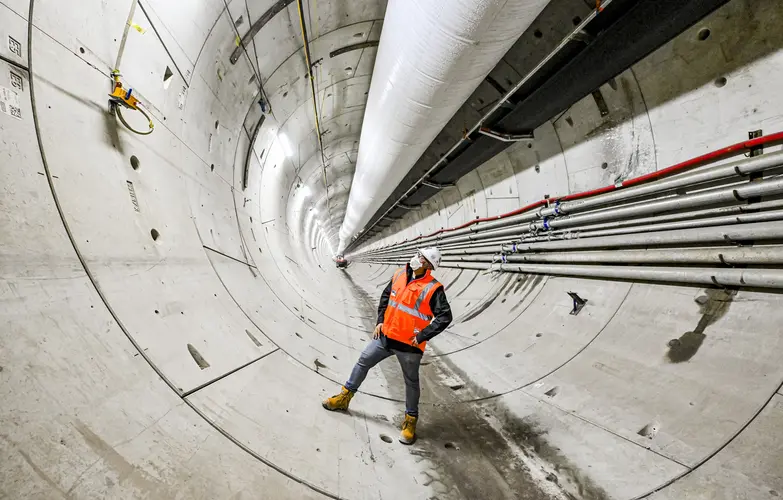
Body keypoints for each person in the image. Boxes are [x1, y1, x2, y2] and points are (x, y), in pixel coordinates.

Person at [322, 247, 453, 444]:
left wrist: (423, 335)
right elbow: (386, 297)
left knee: (411, 382)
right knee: (363, 361)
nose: (417, 259)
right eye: (418, 255)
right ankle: (344, 398)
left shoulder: (433, 288)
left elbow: (444, 316)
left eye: (423, 259)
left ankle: (410, 421)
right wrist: (380, 321)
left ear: (429, 266)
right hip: (385, 337)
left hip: (409, 345)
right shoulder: (399, 274)